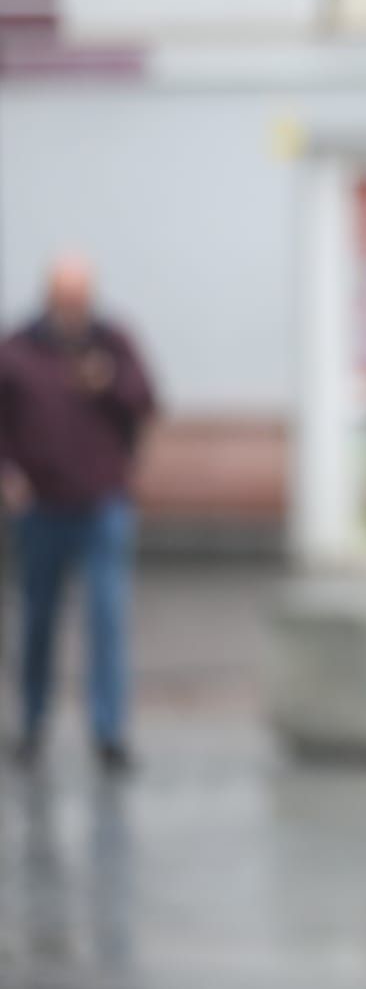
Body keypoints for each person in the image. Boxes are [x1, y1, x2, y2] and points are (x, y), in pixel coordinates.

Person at [0, 255, 157, 771]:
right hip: (40, 507)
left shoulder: (113, 343)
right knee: (38, 621)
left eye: (80, 299)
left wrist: (108, 383)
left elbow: (146, 400)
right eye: (64, 299)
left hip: (102, 505)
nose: (72, 310)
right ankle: (33, 723)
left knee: (107, 619)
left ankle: (108, 732)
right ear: (48, 298)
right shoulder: (18, 350)